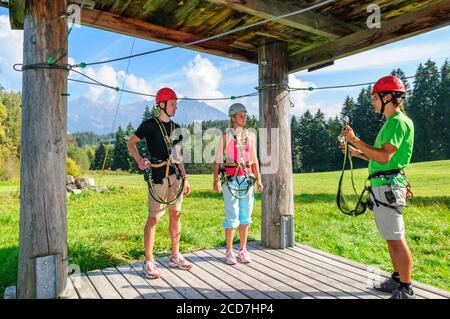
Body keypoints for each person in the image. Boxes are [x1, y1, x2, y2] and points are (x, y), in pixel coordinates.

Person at [341, 76, 415, 299]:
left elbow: (384, 157)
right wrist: (358, 153)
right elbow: (379, 157)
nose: (372, 101)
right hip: (384, 186)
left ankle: (406, 288)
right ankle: (397, 280)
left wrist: (354, 140)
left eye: (375, 97)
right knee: (391, 237)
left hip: (388, 187)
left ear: (388, 97)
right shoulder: (392, 123)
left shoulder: (397, 122)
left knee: (396, 238)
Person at [128, 87, 193, 279]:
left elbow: (179, 156)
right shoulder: (149, 124)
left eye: (175, 104)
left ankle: (175, 255)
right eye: (172, 104)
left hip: (175, 176)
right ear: (162, 104)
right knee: (154, 218)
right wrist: (140, 160)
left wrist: (185, 179)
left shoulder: (176, 128)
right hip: (157, 176)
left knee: (176, 215)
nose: (175, 108)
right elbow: (131, 143)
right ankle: (149, 260)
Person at [213, 103, 263, 265]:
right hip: (231, 179)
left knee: (245, 216)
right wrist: (215, 180)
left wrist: (259, 180)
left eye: (245, 114)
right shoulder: (226, 136)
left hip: (247, 179)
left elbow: (254, 160)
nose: (244, 117)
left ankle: (242, 249)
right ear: (233, 118)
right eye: (241, 115)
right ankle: (229, 251)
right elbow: (217, 160)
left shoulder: (251, 136)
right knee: (232, 215)